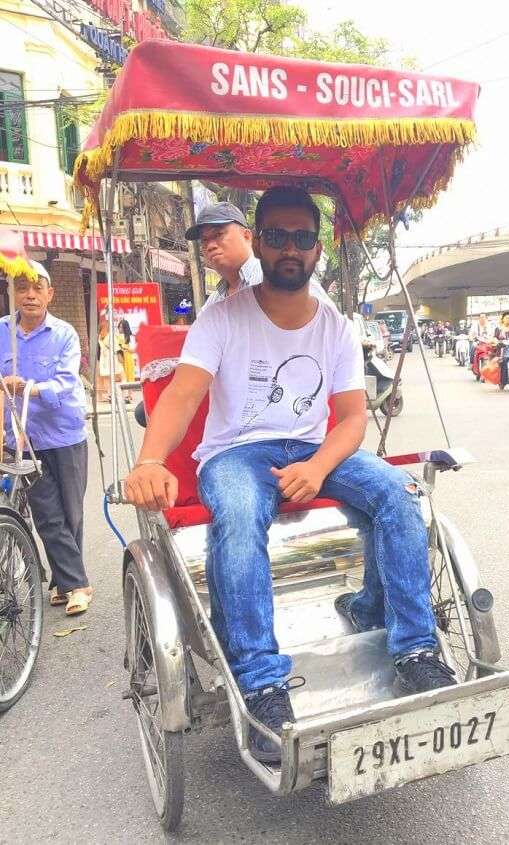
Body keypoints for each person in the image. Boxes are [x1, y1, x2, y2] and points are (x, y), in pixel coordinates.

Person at [124, 186, 455, 762]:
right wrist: (150, 461)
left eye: (302, 238)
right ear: (259, 240)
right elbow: (180, 396)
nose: (290, 250)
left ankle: (412, 646)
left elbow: (352, 419)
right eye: (277, 236)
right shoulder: (221, 318)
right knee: (239, 511)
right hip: (237, 453)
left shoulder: (335, 326)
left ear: (317, 248)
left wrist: (318, 464)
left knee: (403, 495)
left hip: (315, 446)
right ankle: (260, 682)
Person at [0, 261, 92, 615]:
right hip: (24, 438)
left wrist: (29, 387)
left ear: (50, 294)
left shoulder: (64, 333)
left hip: (65, 433)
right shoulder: (3, 332)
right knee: (47, 514)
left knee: (71, 513)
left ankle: (63, 581)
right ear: (13, 293)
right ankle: (79, 586)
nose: (30, 295)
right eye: (22, 288)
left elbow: (66, 383)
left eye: (38, 288)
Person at [187, 200, 333, 309]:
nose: (210, 246)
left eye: (218, 234)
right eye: (204, 240)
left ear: (247, 236)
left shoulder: (282, 278)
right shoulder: (215, 301)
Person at [97, 313, 124, 402]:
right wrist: (121, 358)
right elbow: (116, 348)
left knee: (107, 379)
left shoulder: (100, 337)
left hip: (104, 360)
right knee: (120, 376)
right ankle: (121, 394)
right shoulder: (110, 336)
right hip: (112, 358)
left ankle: (110, 394)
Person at [117, 317, 135, 402]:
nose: (120, 329)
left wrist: (124, 348)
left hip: (128, 358)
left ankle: (130, 395)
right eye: (119, 327)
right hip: (119, 358)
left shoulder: (130, 337)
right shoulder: (117, 337)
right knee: (121, 377)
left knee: (129, 376)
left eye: (121, 327)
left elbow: (134, 350)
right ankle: (122, 396)